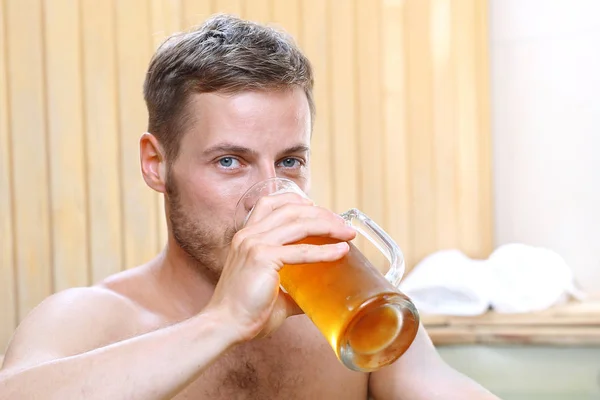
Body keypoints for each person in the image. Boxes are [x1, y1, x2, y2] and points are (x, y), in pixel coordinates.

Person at [0, 14, 499, 399]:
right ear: (156, 163)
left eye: (289, 161)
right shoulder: (96, 319)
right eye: (230, 161)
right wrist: (223, 321)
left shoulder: (343, 313)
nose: (269, 194)